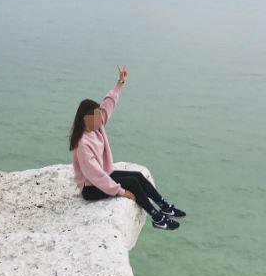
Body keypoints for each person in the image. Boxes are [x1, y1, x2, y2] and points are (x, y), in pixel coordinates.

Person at [69, 65, 186, 231]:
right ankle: (157, 217)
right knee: (131, 182)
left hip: (103, 177)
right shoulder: (82, 144)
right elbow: (95, 176)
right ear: (85, 119)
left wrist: (121, 82)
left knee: (137, 176)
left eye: (98, 116)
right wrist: (120, 191)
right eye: (95, 116)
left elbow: (109, 103)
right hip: (91, 188)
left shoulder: (97, 125)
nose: (99, 119)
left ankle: (164, 206)